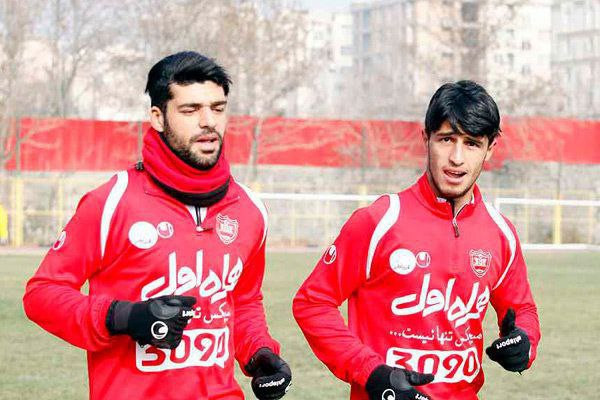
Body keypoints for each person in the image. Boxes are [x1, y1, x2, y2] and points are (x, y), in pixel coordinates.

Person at [23, 51, 291, 400]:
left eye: (218, 108)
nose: (208, 121)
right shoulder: (112, 202)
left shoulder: (250, 210)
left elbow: (242, 300)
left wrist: (259, 351)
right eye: (190, 110)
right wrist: (122, 317)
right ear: (158, 117)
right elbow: (41, 295)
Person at [293, 80, 540, 400]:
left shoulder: (501, 233)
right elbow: (313, 303)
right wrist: (371, 372)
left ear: (490, 148)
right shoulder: (380, 221)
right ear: (426, 138)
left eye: (471, 144)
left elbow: (522, 309)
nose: (456, 158)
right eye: (446, 139)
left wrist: (524, 341)